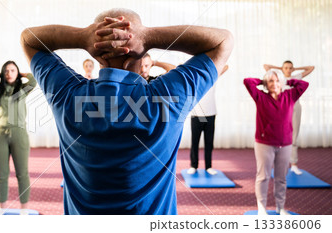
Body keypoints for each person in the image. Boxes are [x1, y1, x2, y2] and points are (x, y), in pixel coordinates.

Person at [21, 8, 233, 214]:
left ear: (96, 54)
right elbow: (223, 41)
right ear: (140, 53)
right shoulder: (168, 97)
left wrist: (82, 37)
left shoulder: (68, 94)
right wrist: (149, 37)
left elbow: (29, 39)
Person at [244, 70, 309, 215]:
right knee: (263, 176)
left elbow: (304, 84)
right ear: (267, 84)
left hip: (285, 144)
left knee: (281, 178)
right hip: (264, 143)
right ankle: (262, 208)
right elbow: (247, 81)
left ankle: (280, 207)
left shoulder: (290, 96)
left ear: (282, 83)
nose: (274, 84)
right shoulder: (260, 97)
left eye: (277, 81)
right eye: (271, 81)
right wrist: (263, 81)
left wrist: (287, 80)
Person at [0, 61, 37, 215]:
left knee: (22, 173)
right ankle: (1, 208)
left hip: (19, 135)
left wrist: (22, 74)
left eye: (12, 70)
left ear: (17, 73)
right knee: (1, 175)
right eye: (7, 71)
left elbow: (33, 80)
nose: (9, 73)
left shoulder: (23, 90)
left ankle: (24, 210)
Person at [263, 61, 314, 175]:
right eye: (286, 68)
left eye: (290, 68)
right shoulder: (278, 77)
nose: (288, 70)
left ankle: (294, 164)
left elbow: (311, 68)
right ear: (283, 68)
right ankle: (280, 164)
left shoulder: (296, 77)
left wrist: (296, 69)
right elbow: (266, 66)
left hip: (295, 107)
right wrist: (279, 68)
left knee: (293, 136)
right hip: (282, 108)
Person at [187, 65, 228, 175]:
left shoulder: (212, 78)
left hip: (210, 114)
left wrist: (213, 70)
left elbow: (226, 66)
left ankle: (208, 166)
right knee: (194, 142)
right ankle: (193, 165)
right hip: (196, 115)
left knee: (209, 142)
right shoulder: (194, 79)